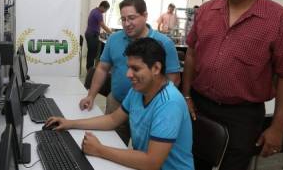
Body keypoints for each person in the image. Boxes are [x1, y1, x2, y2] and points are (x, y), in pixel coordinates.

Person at [182, 0, 283, 170]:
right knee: (193, 162)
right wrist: (186, 95)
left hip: (242, 114)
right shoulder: (206, 11)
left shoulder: (280, 21)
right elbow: (192, 53)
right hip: (199, 105)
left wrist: (278, 127)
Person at [48, 38, 194, 170]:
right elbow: (112, 120)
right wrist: (70, 123)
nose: (128, 74)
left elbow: (151, 162)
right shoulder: (139, 90)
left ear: (156, 68)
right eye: (128, 67)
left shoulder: (169, 103)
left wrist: (99, 149)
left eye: (135, 68)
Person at [79, 0, 181, 145]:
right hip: (117, 103)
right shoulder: (114, 39)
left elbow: (173, 79)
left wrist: (155, 108)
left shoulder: (164, 43)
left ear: (145, 15)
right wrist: (91, 95)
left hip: (148, 110)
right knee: (113, 145)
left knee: (143, 151)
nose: (127, 24)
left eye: (132, 18)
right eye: (123, 19)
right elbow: (102, 68)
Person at [85, 1, 112, 71]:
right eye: (106, 10)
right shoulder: (98, 13)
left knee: (91, 53)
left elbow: (96, 25)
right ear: (102, 7)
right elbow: (103, 25)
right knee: (92, 53)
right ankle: (90, 70)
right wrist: (112, 33)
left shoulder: (94, 11)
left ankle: (90, 68)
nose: (105, 12)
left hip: (90, 34)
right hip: (92, 35)